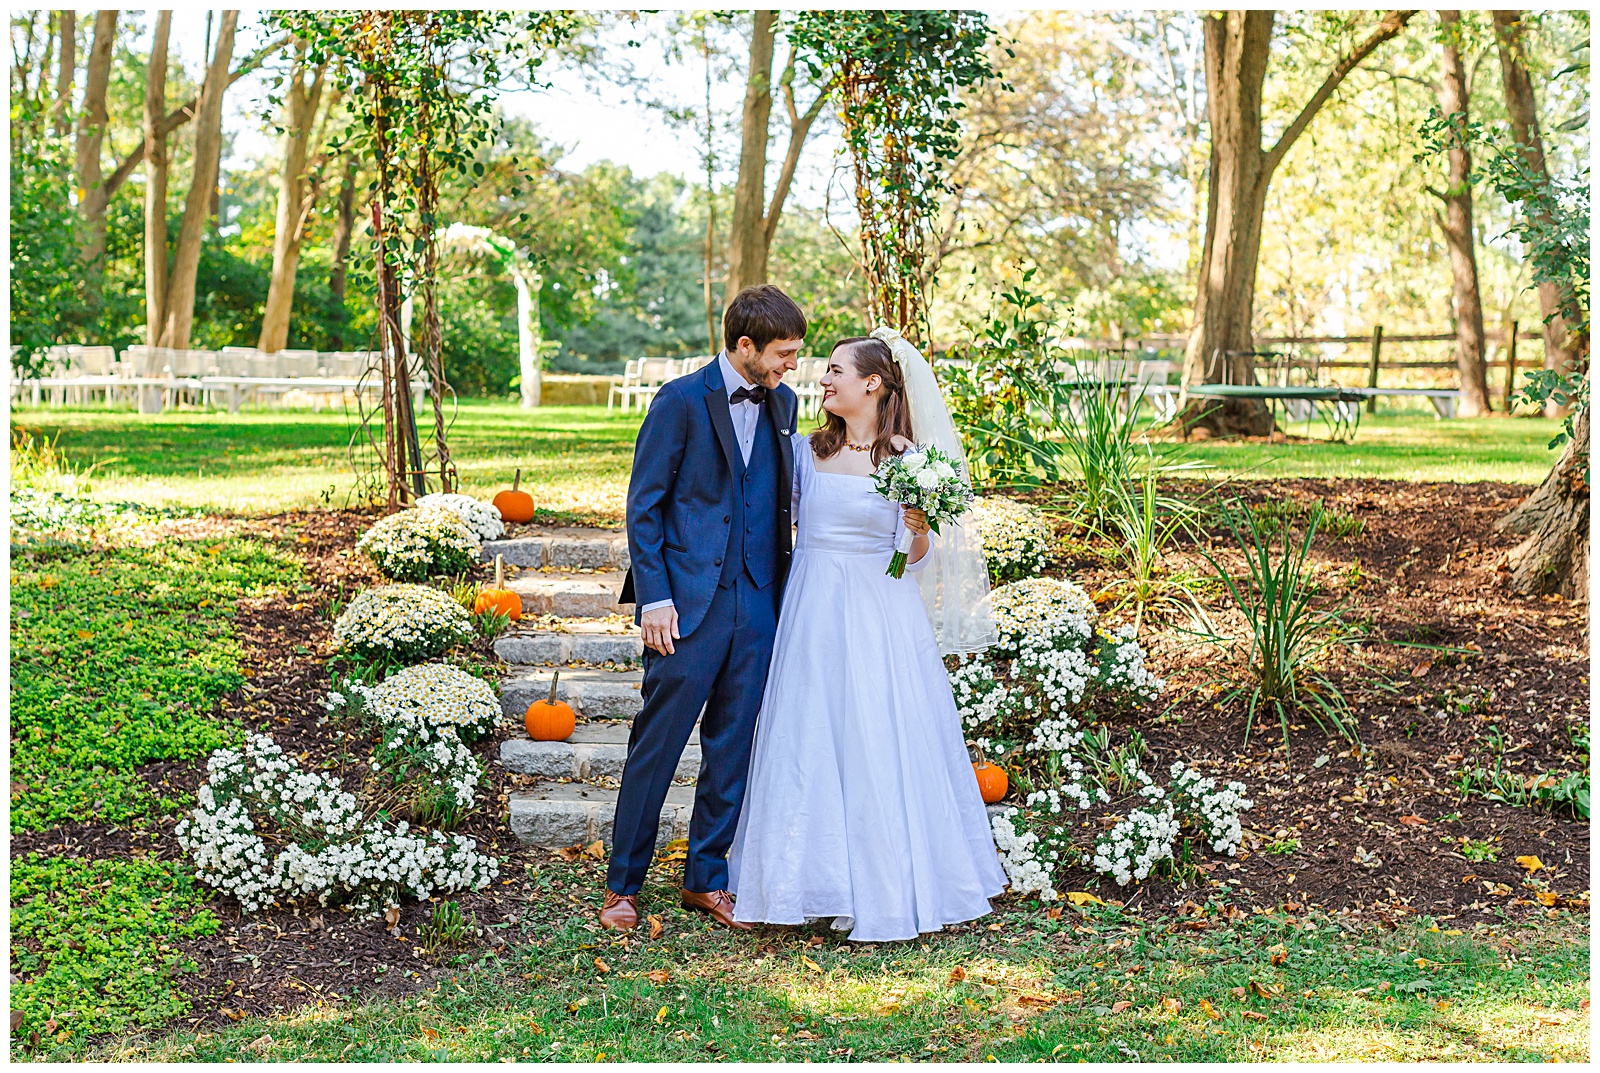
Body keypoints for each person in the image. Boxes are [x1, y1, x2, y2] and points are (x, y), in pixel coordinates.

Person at [728, 329, 1007, 941]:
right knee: (810, 731)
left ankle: (886, 884)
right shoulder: (806, 451)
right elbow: (784, 519)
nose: (822, 379)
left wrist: (916, 526)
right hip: (814, 603)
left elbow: (915, 558)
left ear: (872, 383)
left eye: (834, 370)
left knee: (878, 733)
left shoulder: (910, 459)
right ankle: (808, 880)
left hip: (880, 607)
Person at [600, 285, 804, 931]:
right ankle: (623, 884)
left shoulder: (786, 405)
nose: (790, 366)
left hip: (759, 601)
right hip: (686, 606)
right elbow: (645, 505)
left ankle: (706, 877)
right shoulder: (680, 401)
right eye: (782, 353)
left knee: (734, 746)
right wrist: (654, 598)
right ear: (745, 346)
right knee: (656, 744)